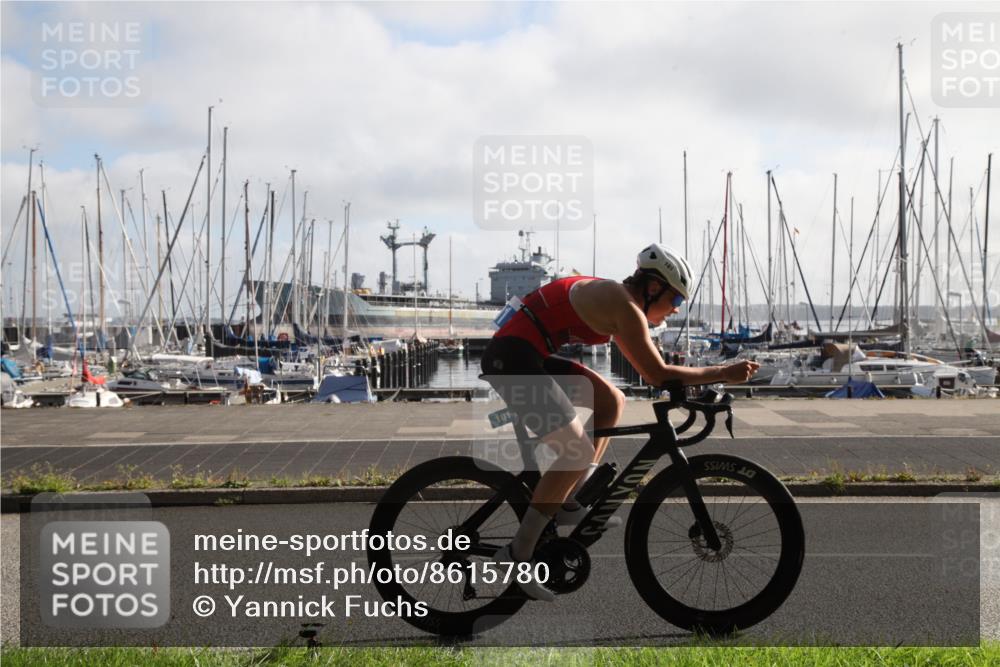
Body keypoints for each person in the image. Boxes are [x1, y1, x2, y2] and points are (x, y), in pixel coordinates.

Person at [482, 243, 759, 601]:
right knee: (576, 452)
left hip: (525, 353)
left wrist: (698, 383)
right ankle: (517, 555)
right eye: (675, 302)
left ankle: (569, 500)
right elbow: (657, 374)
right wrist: (724, 372)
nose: (674, 312)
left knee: (611, 399)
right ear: (653, 288)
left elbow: (652, 373)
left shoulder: (621, 302)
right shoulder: (625, 307)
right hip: (513, 360)